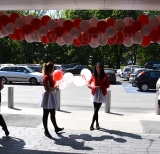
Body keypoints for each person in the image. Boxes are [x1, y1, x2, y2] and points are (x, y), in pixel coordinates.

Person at [39, 62, 64, 138]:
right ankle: (46, 130)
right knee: (46, 114)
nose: (54, 69)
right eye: (53, 68)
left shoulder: (49, 76)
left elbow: (50, 86)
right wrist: (55, 88)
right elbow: (47, 88)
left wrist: (55, 86)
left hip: (51, 95)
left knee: (52, 113)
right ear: (49, 68)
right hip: (48, 96)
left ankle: (56, 128)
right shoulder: (46, 77)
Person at [87, 62, 110, 131]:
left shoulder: (105, 75)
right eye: (97, 67)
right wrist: (89, 85)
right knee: (95, 110)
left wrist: (99, 87)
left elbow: (107, 85)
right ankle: (97, 124)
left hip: (101, 93)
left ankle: (92, 124)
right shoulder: (93, 75)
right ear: (95, 68)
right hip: (95, 93)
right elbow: (89, 82)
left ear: (101, 68)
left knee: (96, 110)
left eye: (99, 67)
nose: (98, 68)